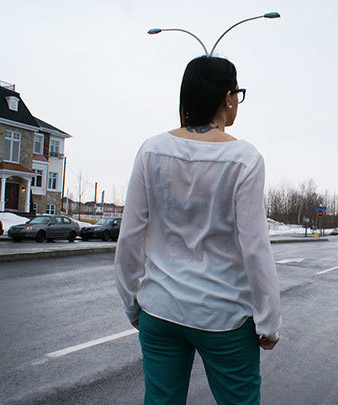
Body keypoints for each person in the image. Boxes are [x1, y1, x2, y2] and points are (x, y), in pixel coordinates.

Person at [115, 55, 282, 405]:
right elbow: (255, 247)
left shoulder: (151, 151)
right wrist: (268, 321)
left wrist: (132, 302)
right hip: (225, 317)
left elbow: (130, 236)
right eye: (237, 93)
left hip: (160, 310)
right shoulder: (244, 159)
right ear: (227, 98)